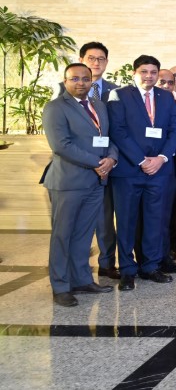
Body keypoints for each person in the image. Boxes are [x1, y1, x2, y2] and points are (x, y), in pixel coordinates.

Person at [43, 63, 118, 306]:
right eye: (74, 79)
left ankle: (82, 280)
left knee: (84, 235)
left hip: (96, 181)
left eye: (85, 79)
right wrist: (97, 163)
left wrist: (111, 158)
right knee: (63, 236)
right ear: (65, 81)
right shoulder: (55, 108)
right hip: (68, 182)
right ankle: (61, 286)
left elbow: (108, 138)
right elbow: (61, 145)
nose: (81, 83)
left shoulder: (98, 105)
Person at [108, 55, 176, 290]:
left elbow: (175, 130)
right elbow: (118, 131)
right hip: (129, 171)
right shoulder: (119, 95)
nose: (149, 76)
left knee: (154, 220)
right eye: (144, 71)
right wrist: (141, 160)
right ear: (134, 73)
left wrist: (161, 158)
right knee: (126, 222)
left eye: (153, 72)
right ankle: (127, 270)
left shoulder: (166, 97)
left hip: (158, 170)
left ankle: (150, 266)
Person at [79, 42, 121, 281]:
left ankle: (107, 264)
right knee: (79, 223)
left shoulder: (116, 91)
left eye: (101, 59)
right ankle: (78, 269)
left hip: (108, 165)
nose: (96, 63)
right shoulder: (63, 90)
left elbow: (116, 130)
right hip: (79, 166)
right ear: (82, 60)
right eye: (91, 58)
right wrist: (92, 161)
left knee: (105, 219)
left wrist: (110, 159)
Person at [153, 69, 176, 273]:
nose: (166, 86)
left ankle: (168, 251)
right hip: (147, 164)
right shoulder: (142, 105)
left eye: (170, 83)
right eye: (162, 82)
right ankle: (151, 257)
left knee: (169, 213)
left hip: (172, 166)